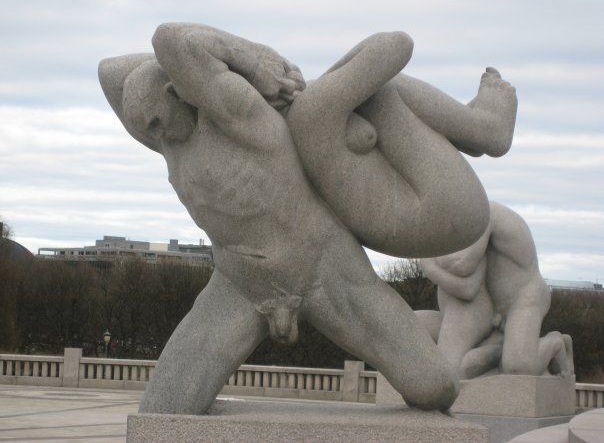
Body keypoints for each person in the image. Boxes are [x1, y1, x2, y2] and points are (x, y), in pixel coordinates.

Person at [99, 24, 459, 415]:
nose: (156, 136)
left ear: (177, 91)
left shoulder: (236, 111)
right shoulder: (168, 141)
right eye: (146, 129)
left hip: (324, 269)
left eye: (155, 122)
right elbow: (109, 71)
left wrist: (253, 61)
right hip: (240, 284)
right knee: (164, 409)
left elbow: (169, 39)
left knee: (434, 387)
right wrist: (160, 85)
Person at [287, 36, 518, 258]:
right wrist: (325, 79)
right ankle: (487, 128)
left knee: (368, 88)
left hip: (436, 215)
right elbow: (397, 44)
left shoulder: (296, 133)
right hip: (441, 208)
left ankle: (471, 132)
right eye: (285, 68)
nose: (295, 70)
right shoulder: (310, 109)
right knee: (381, 89)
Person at [421, 201, 573, 379]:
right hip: (491, 308)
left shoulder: (482, 215)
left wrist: (428, 264)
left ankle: (555, 342)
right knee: (412, 328)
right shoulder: (465, 225)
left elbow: (462, 265)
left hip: (524, 299)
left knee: (518, 368)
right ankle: (505, 347)